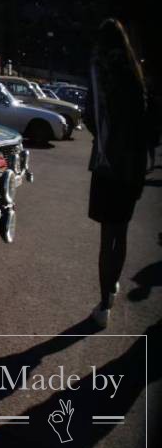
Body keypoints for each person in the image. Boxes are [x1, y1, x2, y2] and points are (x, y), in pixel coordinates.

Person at [85, 18, 150, 328]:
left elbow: (89, 118)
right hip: (132, 165)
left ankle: (104, 304)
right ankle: (110, 289)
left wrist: (104, 136)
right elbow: (148, 124)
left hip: (105, 163)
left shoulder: (100, 75)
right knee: (120, 233)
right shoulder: (135, 74)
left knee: (105, 237)